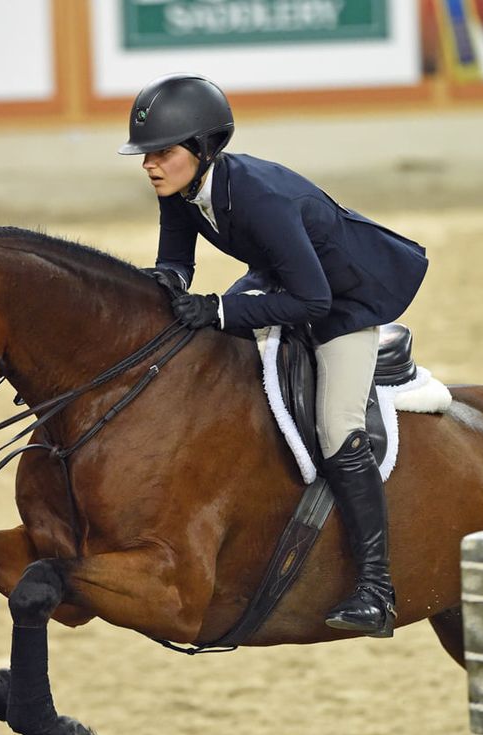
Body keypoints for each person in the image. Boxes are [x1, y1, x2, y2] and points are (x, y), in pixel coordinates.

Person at [118, 73, 429, 639]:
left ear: (203, 149)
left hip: (344, 301)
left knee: (336, 426)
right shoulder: (183, 190)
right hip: (280, 279)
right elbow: (175, 264)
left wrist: (217, 312)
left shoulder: (259, 197)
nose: (149, 166)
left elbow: (313, 299)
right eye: (146, 155)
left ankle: (376, 588)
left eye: (161, 153)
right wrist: (149, 294)